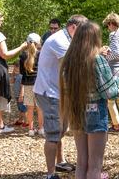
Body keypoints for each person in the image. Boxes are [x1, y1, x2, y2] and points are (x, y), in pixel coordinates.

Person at [60, 21, 119, 179]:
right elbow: (110, 92)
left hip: (76, 110)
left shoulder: (68, 61)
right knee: (95, 165)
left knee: (81, 162)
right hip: (95, 110)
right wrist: (118, 78)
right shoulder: (97, 60)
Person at [33, 14, 88, 179]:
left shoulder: (67, 39)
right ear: (73, 27)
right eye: (83, 32)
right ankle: (50, 174)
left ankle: (60, 161)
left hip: (58, 92)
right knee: (53, 133)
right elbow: (74, 65)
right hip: (49, 93)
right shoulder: (59, 41)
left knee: (61, 129)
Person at [19, 33, 44, 136]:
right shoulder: (41, 54)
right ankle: (41, 128)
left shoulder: (23, 55)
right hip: (40, 85)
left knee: (29, 108)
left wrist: (21, 90)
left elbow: (22, 73)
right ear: (38, 43)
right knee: (40, 108)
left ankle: (30, 129)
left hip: (28, 85)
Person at [10, 61, 27, 126]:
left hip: (21, 95)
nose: (14, 69)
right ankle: (20, 120)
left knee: (23, 109)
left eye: (15, 67)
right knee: (20, 109)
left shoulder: (22, 76)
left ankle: (26, 121)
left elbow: (23, 86)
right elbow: (11, 82)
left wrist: (21, 95)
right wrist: (13, 74)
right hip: (17, 95)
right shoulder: (17, 75)